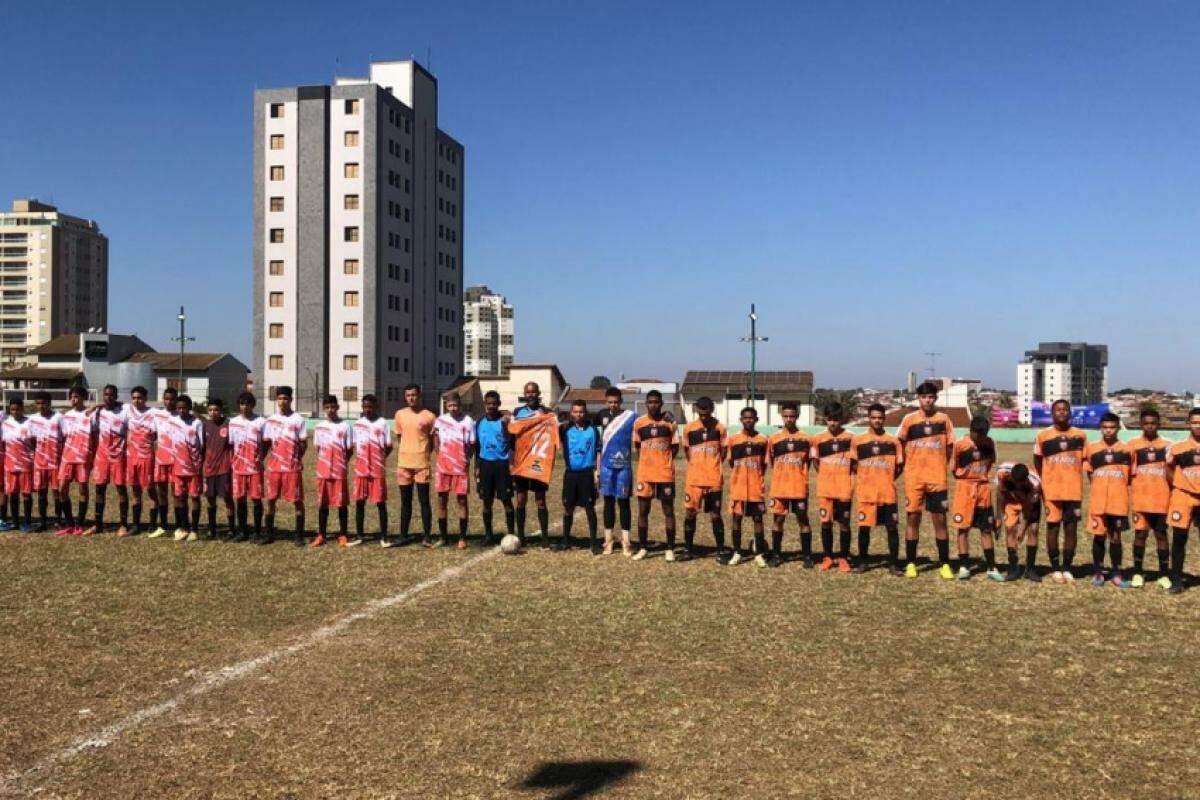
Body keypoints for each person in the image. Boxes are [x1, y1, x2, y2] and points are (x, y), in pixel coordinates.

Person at [896, 382, 956, 579]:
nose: (927, 400)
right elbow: (900, 444)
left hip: (937, 479)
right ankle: (911, 563)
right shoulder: (909, 419)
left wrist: (940, 464)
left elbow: (949, 447)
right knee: (913, 519)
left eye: (930, 397)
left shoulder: (944, 419)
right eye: (923, 397)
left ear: (935, 398)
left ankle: (945, 563)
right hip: (914, 479)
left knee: (940, 520)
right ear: (918, 398)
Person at [1033, 399, 1087, 583]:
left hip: (1073, 490)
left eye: (1065, 409)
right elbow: (1037, 460)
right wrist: (1047, 479)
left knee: (1071, 529)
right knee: (1053, 527)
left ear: (1070, 413)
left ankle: (1067, 567)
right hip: (1052, 491)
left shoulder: (1080, 435)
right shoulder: (1043, 436)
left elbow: (1086, 460)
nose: (1062, 412)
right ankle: (1055, 567)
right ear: (1052, 413)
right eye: (1058, 410)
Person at [850, 403, 903, 573]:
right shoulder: (858, 441)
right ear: (868, 418)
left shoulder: (893, 442)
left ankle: (893, 564)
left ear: (884, 419)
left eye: (880, 418)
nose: (877, 421)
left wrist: (887, 478)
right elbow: (853, 465)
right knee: (864, 527)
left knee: (892, 528)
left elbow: (899, 467)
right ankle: (863, 562)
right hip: (867, 493)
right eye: (874, 417)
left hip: (887, 492)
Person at [1084, 412, 1133, 588]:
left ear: (1118, 428)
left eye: (1112, 427)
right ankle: (1098, 572)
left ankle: (1116, 572)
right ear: (1100, 428)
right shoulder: (1091, 448)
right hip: (1098, 501)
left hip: (1118, 501)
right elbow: (1090, 472)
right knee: (1099, 536)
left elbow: (1130, 476)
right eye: (1105, 427)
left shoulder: (1128, 450)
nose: (1108, 431)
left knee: (1116, 537)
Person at [507, 392, 559, 545]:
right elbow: (512, 434)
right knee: (521, 500)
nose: (530, 395)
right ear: (525, 394)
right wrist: (511, 461)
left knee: (540, 500)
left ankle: (544, 537)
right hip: (522, 462)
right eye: (528, 392)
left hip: (538, 462)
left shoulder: (547, 413)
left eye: (533, 392)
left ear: (538, 394)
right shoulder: (518, 412)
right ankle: (521, 537)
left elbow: (555, 432)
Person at [950, 417, 998, 580]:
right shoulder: (960, 444)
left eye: (984, 434)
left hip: (983, 489)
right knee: (963, 528)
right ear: (971, 431)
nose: (982, 438)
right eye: (979, 435)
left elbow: (991, 462)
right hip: (965, 488)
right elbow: (954, 468)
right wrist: (967, 479)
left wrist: (980, 477)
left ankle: (991, 567)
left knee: (986, 529)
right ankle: (964, 566)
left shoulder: (989, 443)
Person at [632, 389, 678, 561]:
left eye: (656, 402)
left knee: (668, 511)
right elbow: (637, 446)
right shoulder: (639, 423)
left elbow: (675, 447)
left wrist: (663, 462)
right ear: (646, 403)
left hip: (665, 474)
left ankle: (670, 548)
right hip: (645, 474)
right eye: (650, 402)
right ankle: (643, 548)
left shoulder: (670, 423)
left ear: (661, 404)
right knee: (643, 511)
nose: (653, 405)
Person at [1129, 409, 1172, 588]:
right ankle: (1138, 573)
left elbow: (1172, 472)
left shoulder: (1168, 446)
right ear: (1141, 424)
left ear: (1159, 424)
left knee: (1161, 535)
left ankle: (1163, 574)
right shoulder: (1132, 445)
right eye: (1146, 423)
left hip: (1162, 499)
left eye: (1153, 423)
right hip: (1141, 499)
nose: (1150, 426)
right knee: (1140, 534)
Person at [810, 403, 854, 573]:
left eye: (836, 419)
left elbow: (855, 463)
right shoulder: (818, 439)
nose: (833, 423)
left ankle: (843, 558)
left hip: (844, 489)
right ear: (825, 420)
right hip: (825, 489)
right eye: (830, 419)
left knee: (844, 523)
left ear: (841, 420)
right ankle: (827, 557)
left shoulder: (851, 438)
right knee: (826, 523)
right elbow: (816, 462)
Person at [768, 402, 813, 566]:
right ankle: (776, 555)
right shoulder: (773, 439)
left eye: (792, 416)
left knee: (803, 520)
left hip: (799, 487)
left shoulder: (806, 439)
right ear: (781, 416)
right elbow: (772, 462)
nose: (789, 419)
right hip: (780, 487)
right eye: (786, 416)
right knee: (778, 520)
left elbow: (809, 461)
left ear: (797, 417)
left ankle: (807, 556)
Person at [724, 407, 770, 567]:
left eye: (751, 418)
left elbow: (764, 465)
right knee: (736, 518)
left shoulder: (763, 440)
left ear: (756, 419)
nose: (748, 420)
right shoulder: (733, 439)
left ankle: (759, 553)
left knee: (758, 519)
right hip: (738, 487)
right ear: (741, 419)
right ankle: (737, 552)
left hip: (756, 487)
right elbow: (731, 462)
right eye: (745, 418)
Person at [682, 397, 726, 562]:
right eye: (701, 414)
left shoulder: (720, 428)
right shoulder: (689, 429)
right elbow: (687, 453)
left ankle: (720, 550)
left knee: (715, 515)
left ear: (712, 409)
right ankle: (688, 549)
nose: (704, 417)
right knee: (690, 513)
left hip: (713, 480)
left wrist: (712, 467)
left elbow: (723, 453)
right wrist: (697, 466)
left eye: (706, 413)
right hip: (694, 480)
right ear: (697, 411)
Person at [263, 386, 308, 546]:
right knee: (270, 500)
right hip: (274, 468)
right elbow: (266, 444)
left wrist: (296, 459)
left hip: (292, 468)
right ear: (277, 400)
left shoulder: (298, 419)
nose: (283, 401)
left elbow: (303, 443)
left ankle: (299, 535)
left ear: (291, 400)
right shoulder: (270, 420)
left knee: (297, 501)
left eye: (286, 398)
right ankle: (269, 534)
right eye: (280, 398)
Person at [392, 383, 435, 546]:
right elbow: (399, 437)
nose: (411, 398)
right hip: (404, 464)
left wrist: (423, 454)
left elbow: (432, 440)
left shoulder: (429, 416)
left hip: (421, 464)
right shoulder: (399, 415)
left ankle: (427, 536)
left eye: (414, 395)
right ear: (405, 397)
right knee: (405, 502)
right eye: (408, 395)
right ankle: (403, 535)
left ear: (419, 395)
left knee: (424, 501)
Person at [84, 384, 129, 536]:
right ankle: (98, 525)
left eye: (111, 395)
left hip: (119, 457)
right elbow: (89, 423)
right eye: (106, 395)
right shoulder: (99, 412)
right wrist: (97, 405)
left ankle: (123, 525)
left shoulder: (124, 411)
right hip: (102, 457)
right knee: (99, 489)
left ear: (116, 396)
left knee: (121, 489)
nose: (108, 397)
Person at [595, 387, 636, 556]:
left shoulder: (630, 417)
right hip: (606, 467)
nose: (613, 405)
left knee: (624, 503)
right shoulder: (600, 416)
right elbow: (598, 444)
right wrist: (596, 470)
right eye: (610, 402)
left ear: (621, 401)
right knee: (608, 503)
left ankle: (626, 542)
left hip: (624, 467)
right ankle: (609, 541)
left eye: (616, 402)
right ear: (606, 402)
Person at [1165, 407, 1200, 595]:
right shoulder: (1177, 448)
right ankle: (1177, 579)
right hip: (1183, 496)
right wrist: (1179, 484)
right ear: (1189, 424)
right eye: (1194, 422)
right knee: (1179, 538)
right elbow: (1168, 468)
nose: (1198, 426)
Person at [432, 393, 475, 549]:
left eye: (455, 405)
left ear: (460, 405)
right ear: (446, 406)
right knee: (442, 500)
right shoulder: (440, 420)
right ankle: (443, 537)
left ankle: (462, 537)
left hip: (460, 468)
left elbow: (471, 444)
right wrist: (440, 454)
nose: (453, 408)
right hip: (443, 467)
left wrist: (465, 459)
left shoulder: (468, 421)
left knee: (462, 501)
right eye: (449, 406)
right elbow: (435, 438)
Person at [559, 399, 600, 552]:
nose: (578, 414)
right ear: (571, 413)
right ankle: (565, 540)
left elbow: (597, 451)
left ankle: (594, 542)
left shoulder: (593, 430)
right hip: (571, 474)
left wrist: (597, 471)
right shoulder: (565, 429)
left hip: (587, 474)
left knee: (590, 507)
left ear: (586, 412)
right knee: (568, 507)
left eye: (581, 411)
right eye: (575, 411)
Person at [474, 390, 514, 547]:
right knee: (486, 501)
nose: (491, 406)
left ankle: (511, 534)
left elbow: (511, 443)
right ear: (485, 404)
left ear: (499, 404)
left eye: (494, 403)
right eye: (488, 403)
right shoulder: (479, 422)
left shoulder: (505, 421)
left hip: (502, 465)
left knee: (506, 501)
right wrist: (476, 467)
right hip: (485, 465)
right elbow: (477, 447)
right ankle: (488, 535)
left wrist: (505, 425)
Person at [351, 393, 391, 547]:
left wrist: (380, 460)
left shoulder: (383, 424)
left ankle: (384, 536)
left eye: (370, 407)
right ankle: (359, 535)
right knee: (360, 502)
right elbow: (354, 446)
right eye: (365, 407)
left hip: (377, 470)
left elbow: (388, 446)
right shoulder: (357, 424)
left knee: (380, 503)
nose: (367, 409)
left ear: (376, 407)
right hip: (361, 470)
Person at [313, 394, 352, 547]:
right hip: (323, 471)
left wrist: (340, 463)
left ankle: (343, 534)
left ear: (337, 407)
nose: (330, 410)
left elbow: (349, 450)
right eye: (327, 407)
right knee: (323, 504)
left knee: (341, 504)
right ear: (324, 409)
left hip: (339, 471)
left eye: (333, 407)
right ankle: (321, 534)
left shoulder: (345, 426)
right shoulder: (319, 427)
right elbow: (318, 448)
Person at [993, 462, 1042, 582]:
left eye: (1020, 483)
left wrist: (1023, 529)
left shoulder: (1035, 484)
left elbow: (1028, 508)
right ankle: (1013, 568)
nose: (1017, 485)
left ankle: (1030, 569)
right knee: (1010, 529)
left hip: (1028, 501)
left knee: (1034, 530)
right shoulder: (1002, 474)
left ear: (1025, 480)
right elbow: (999, 495)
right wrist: (998, 517)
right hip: (1011, 499)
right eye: (1015, 482)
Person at [57, 385, 95, 537]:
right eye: (72, 396)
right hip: (67, 457)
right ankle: (69, 523)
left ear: (83, 398)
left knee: (83, 490)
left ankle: (79, 523)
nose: (74, 399)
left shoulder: (90, 415)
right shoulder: (65, 416)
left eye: (77, 397)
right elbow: (63, 438)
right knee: (62, 489)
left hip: (83, 458)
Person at [228, 392, 266, 543]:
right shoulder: (233, 422)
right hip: (238, 468)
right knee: (240, 500)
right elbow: (231, 445)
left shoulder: (261, 422)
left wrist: (260, 458)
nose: (245, 407)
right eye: (242, 404)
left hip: (255, 468)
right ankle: (243, 531)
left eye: (248, 404)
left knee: (256, 499)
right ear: (239, 405)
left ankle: (257, 532)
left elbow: (266, 443)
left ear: (253, 405)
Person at [168, 394, 205, 541]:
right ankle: (183, 527)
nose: (182, 410)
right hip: (178, 468)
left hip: (194, 468)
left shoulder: (197, 423)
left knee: (195, 497)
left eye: (184, 408)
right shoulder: (173, 421)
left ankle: (194, 530)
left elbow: (202, 445)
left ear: (190, 408)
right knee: (180, 497)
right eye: (179, 408)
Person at [124, 386, 157, 536]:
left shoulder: (153, 413)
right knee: (135, 491)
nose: (137, 401)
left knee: (150, 490)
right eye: (134, 398)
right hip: (132, 457)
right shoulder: (127, 410)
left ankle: (152, 524)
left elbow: (160, 432)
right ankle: (136, 525)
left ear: (145, 398)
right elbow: (110, 405)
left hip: (147, 457)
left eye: (140, 398)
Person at [28, 391, 63, 532]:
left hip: (55, 462)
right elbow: (30, 440)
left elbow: (65, 437)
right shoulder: (32, 419)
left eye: (44, 403)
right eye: (38, 403)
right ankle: (42, 522)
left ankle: (58, 521)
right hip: (39, 463)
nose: (41, 406)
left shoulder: (59, 417)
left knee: (57, 492)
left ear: (50, 403)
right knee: (41, 493)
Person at [201, 398, 235, 540]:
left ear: (221, 411)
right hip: (209, 469)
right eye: (210, 410)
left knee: (227, 498)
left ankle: (232, 529)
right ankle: (212, 529)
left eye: (216, 410)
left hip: (224, 469)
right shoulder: (204, 426)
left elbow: (233, 446)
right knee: (210, 499)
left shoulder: (228, 426)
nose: (213, 412)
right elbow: (202, 447)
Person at [148, 386, 179, 538]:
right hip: (161, 460)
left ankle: (180, 525)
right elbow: (152, 436)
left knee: (177, 494)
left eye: (172, 399)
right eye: (166, 399)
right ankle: (163, 525)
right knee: (162, 494)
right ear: (163, 399)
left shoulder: (181, 415)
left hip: (176, 461)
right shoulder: (157, 414)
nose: (169, 402)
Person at [2, 397, 35, 531]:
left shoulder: (29, 423)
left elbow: (35, 442)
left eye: (17, 409)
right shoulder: (5, 424)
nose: (15, 412)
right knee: (13, 494)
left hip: (26, 464)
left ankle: (27, 522)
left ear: (22, 409)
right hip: (10, 465)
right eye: (12, 409)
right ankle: (15, 522)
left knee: (26, 494)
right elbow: (3, 445)